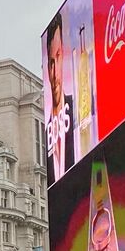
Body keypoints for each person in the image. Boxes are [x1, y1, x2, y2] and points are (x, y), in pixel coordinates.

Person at [44, 14, 74, 185]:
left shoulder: (79, 109)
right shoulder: (48, 133)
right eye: (51, 63)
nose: (55, 74)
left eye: (59, 56)